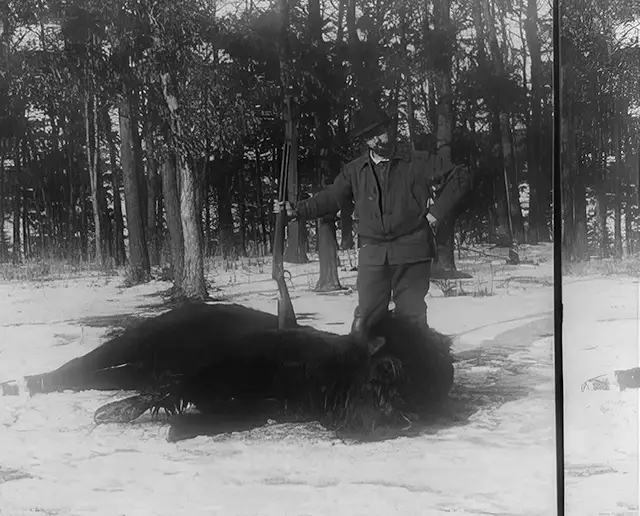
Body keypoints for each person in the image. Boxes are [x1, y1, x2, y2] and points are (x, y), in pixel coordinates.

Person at [274, 106, 464, 337]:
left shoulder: (417, 161)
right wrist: (297, 211)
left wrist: (435, 213)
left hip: (412, 252)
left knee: (411, 320)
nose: (377, 140)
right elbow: (332, 197)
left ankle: (416, 369)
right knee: (367, 318)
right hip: (373, 254)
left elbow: (461, 176)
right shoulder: (354, 170)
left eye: (379, 132)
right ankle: (368, 369)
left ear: (388, 129)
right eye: (369, 137)